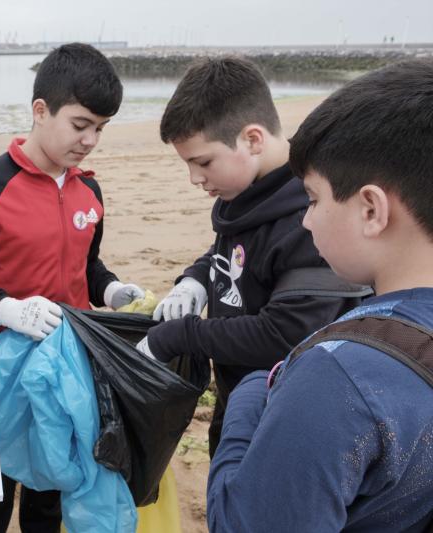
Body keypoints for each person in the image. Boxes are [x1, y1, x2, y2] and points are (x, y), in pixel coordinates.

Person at [206, 59, 433, 532]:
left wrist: (253, 391)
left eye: (312, 199)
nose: (306, 220)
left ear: (371, 209)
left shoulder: (337, 375)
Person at [0, 42, 146, 533]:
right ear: (41, 110)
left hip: (64, 369)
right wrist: (6, 309)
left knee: (50, 493)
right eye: (81, 125)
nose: (91, 140)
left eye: (100, 128)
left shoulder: (89, 191)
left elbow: (87, 264)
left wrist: (111, 289)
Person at [138, 56, 366, 455]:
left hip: (287, 418)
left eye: (203, 162)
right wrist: (196, 278)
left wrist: (180, 335)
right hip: (235, 399)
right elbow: (230, 252)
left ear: (253, 139)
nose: (194, 178)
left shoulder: (312, 219)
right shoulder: (247, 195)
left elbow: (284, 333)